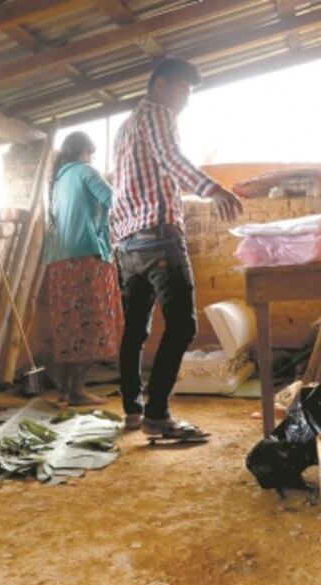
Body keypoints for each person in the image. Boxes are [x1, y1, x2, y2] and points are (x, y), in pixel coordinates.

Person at [111, 57, 242, 439]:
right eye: (182, 90)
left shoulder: (125, 127)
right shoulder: (157, 114)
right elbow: (171, 158)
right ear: (160, 86)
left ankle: (133, 410)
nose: (185, 99)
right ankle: (157, 414)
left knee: (135, 330)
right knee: (183, 325)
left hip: (128, 244)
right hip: (158, 236)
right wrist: (212, 189)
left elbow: (121, 184)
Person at [43, 132, 124, 406]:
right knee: (91, 325)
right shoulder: (86, 171)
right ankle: (77, 391)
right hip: (85, 259)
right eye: (91, 154)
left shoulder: (58, 179)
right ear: (84, 152)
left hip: (59, 264)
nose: (91, 159)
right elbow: (116, 202)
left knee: (70, 327)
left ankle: (65, 392)